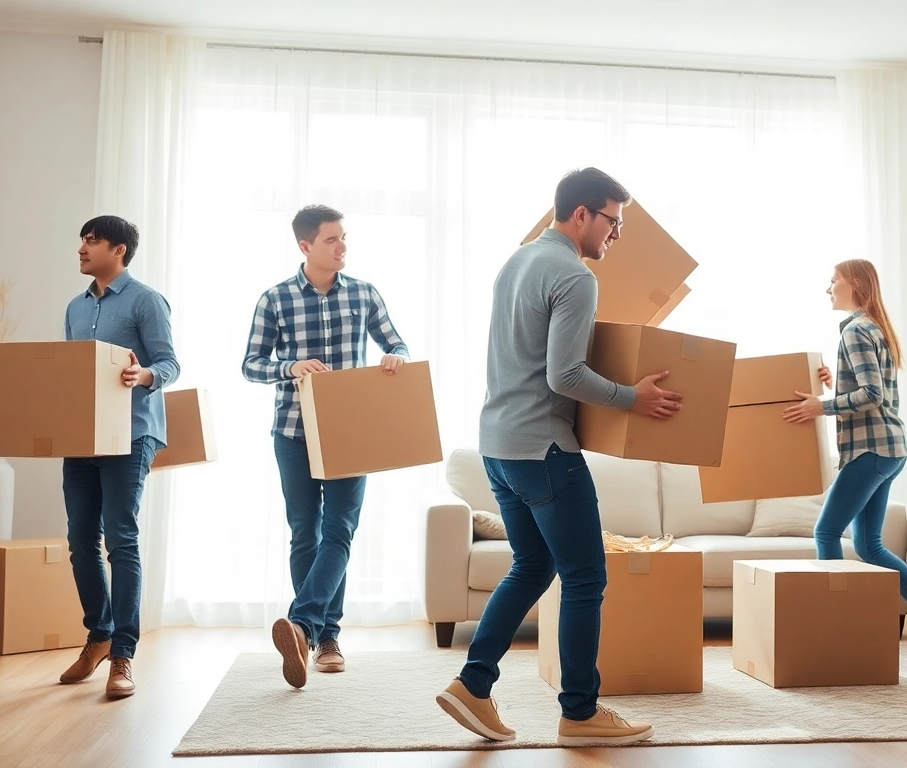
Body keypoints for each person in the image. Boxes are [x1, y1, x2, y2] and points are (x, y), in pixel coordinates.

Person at [435, 168, 680, 746]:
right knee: (586, 577)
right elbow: (564, 374)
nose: (616, 235)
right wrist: (632, 398)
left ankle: (473, 683)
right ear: (581, 215)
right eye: (613, 222)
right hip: (544, 450)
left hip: (497, 446)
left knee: (532, 565)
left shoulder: (517, 261)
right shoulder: (574, 274)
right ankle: (580, 712)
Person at [242, 204, 409, 689]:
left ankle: (308, 630)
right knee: (304, 534)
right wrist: (289, 366)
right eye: (332, 240)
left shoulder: (363, 293)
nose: (342, 247)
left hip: (349, 432)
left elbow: (397, 344)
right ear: (305, 246)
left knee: (339, 532)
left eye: (343, 238)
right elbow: (251, 364)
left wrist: (395, 359)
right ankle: (319, 634)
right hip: (292, 431)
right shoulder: (274, 299)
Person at [782, 258, 907, 672]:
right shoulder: (870, 328)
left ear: (855, 284)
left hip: (871, 450)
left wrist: (820, 406)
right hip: (889, 448)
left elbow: (872, 395)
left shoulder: (857, 330)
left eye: (833, 281)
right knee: (867, 546)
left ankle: (834, 629)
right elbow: (869, 387)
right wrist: (834, 382)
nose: (828, 289)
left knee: (825, 531)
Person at [58, 215, 180, 699]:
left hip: (131, 435)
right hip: (81, 437)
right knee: (80, 539)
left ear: (120, 250)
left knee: (121, 541)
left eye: (92, 240)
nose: (82, 247)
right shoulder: (74, 306)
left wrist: (143, 376)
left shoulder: (146, 300)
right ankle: (99, 636)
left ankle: (123, 654)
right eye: (81, 238)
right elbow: (72, 372)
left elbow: (169, 362)